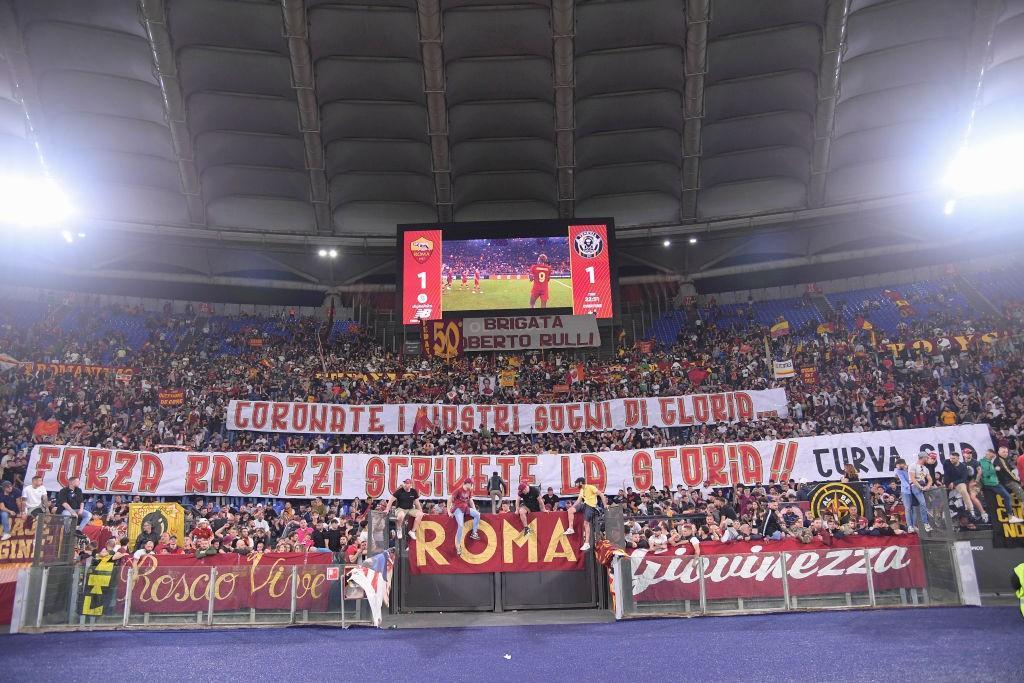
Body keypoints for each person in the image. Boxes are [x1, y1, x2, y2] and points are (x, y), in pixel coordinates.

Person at [980, 450, 1023, 523]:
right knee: (1007, 496)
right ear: (987, 454)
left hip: (995, 482)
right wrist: (994, 469)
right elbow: (985, 473)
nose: (993, 457)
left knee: (1007, 496)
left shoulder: (989, 462)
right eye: (992, 456)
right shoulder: (983, 462)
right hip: (991, 484)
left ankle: (1010, 517)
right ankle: (1010, 517)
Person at [565, 477, 607, 552]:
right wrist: (572, 507)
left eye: (577, 483)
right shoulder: (581, 490)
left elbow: (601, 494)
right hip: (584, 504)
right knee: (570, 511)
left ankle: (587, 542)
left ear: (581, 483)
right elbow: (578, 500)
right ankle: (571, 528)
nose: (576, 485)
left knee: (586, 523)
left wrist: (605, 505)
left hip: (591, 506)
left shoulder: (591, 487)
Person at [940, 451, 978, 521]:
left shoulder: (963, 466)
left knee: (964, 490)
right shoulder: (946, 462)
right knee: (942, 499)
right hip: (947, 484)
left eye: (953, 458)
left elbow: (964, 479)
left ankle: (972, 512)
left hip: (958, 483)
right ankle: (939, 516)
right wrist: (948, 483)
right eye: (950, 458)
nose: (951, 460)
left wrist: (954, 483)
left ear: (958, 458)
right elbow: (947, 474)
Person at [895, 458, 931, 532]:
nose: (897, 467)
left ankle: (914, 525)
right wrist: (911, 486)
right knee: (908, 508)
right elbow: (903, 481)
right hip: (906, 491)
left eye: (898, 465)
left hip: (915, 489)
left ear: (902, 464)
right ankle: (909, 526)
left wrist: (916, 486)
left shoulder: (911, 467)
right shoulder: (898, 471)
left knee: (914, 508)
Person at [448, 478, 481, 556]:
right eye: (471, 484)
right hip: (458, 509)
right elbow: (449, 499)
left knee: (477, 514)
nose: (472, 485)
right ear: (467, 483)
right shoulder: (458, 490)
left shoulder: (469, 491)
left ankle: (474, 533)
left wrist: (475, 510)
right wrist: (449, 511)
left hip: (465, 508)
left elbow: (470, 501)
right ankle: (458, 546)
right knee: (461, 526)